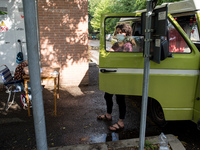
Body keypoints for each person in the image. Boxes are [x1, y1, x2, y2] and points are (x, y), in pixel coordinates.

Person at [97, 23, 133, 131]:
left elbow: (125, 60)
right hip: (113, 74)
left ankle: (121, 122)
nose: (118, 34)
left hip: (121, 75)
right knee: (107, 95)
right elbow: (110, 53)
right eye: (117, 32)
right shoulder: (118, 44)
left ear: (126, 33)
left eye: (121, 32)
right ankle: (108, 114)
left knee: (120, 99)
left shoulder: (127, 45)